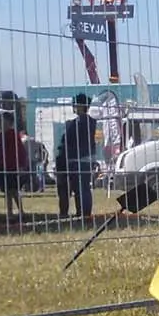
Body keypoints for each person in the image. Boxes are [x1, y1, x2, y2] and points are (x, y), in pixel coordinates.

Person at [56, 92, 99, 220]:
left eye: (74, 104)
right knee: (83, 188)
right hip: (86, 159)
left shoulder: (75, 123)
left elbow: (67, 142)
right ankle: (84, 213)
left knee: (73, 189)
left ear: (80, 105)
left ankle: (77, 213)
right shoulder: (91, 122)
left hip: (75, 160)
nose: (73, 107)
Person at [0, 111, 29, 223]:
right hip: (3, 166)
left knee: (12, 191)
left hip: (11, 167)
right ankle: (12, 212)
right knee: (8, 192)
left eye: (2, 121)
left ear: (9, 122)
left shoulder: (11, 134)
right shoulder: (3, 135)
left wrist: (21, 165)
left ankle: (17, 212)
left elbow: (20, 151)